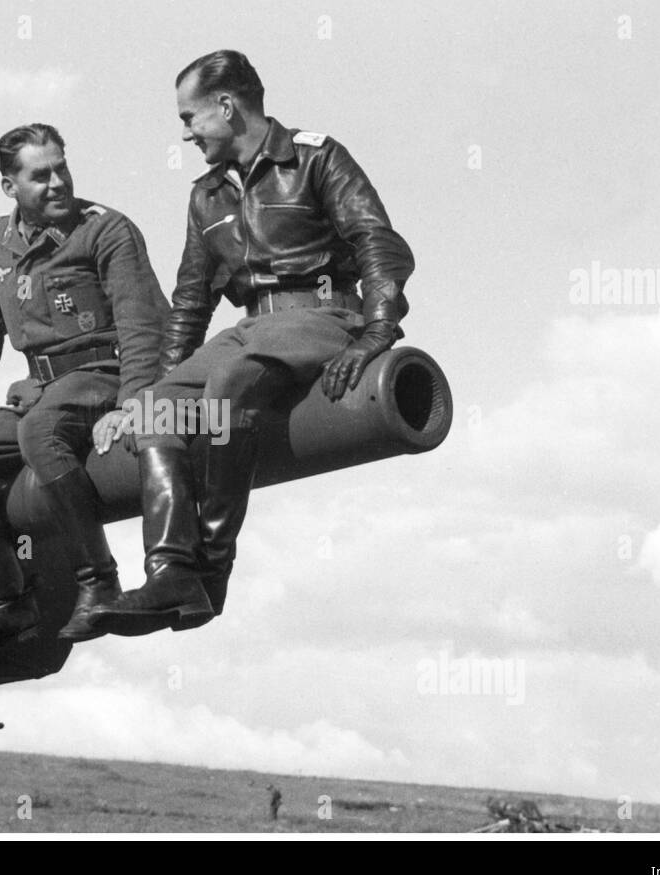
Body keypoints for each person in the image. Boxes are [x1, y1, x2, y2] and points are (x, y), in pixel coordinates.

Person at [65, 50, 415, 640]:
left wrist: (379, 327)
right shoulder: (205, 196)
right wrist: (149, 391)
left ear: (226, 106)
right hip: (247, 328)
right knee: (158, 409)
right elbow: (190, 304)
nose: (184, 132)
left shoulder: (315, 157)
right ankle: (171, 571)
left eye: (190, 116)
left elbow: (379, 243)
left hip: (321, 313)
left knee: (230, 388)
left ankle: (213, 568)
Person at [0, 123, 166, 660]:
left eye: (62, 168)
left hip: (103, 373)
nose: (57, 183)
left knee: (41, 431)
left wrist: (136, 401)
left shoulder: (106, 230)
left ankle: (99, 580)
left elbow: (144, 327)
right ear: (9, 186)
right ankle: (9, 602)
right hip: (40, 386)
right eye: (39, 175)